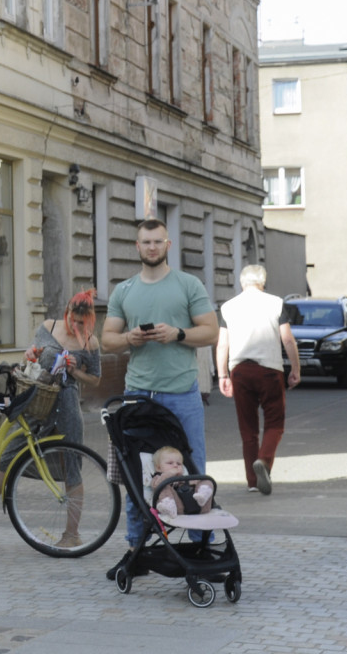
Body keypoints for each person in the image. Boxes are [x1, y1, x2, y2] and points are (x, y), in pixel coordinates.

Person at [102, 218, 218, 569]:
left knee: (194, 472)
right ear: (136, 247)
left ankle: (201, 545)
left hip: (182, 394)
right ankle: (136, 550)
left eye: (157, 242)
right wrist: (129, 339)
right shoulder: (124, 291)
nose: (151, 247)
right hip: (139, 395)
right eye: (145, 242)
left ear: (168, 245)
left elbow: (211, 332)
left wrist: (178, 334)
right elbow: (106, 340)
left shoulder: (187, 284)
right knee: (137, 476)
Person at [0, 289, 101, 545]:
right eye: (72, 319)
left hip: (67, 408)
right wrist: (29, 354)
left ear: (89, 320)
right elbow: (31, 357)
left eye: (81, 322)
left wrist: (75, 372)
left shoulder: (90, 342)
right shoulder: (48, 326)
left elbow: (95, 380)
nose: (75, 325)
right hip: (37, 404)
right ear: (67, 312)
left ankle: (72, 534)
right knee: (8, 457)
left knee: (71, 466)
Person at [215, 264, 300, 495]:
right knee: (275, 423)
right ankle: (263, 460)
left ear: (242, 283)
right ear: (263, 281)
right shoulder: (276, 303)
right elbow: (288, 340)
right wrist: (295, 368)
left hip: (240, 370)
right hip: (269, 370)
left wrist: (222, 374)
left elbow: (223, 343)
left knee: (248, 428)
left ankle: (252, 482)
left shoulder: (228, 307)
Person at [149, 446, 213, 518]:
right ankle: (168, 504)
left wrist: (197, 483)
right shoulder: (158, 477)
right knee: (162, 487)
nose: (175, 465)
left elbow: (195, 482)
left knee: (206, 480)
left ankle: (203, 493)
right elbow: (156, 485)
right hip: (177, 509)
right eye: (170, 463)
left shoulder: (184, 478)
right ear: (158, 468)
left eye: (179, 464)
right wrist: (170, 474)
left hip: (199, 505)